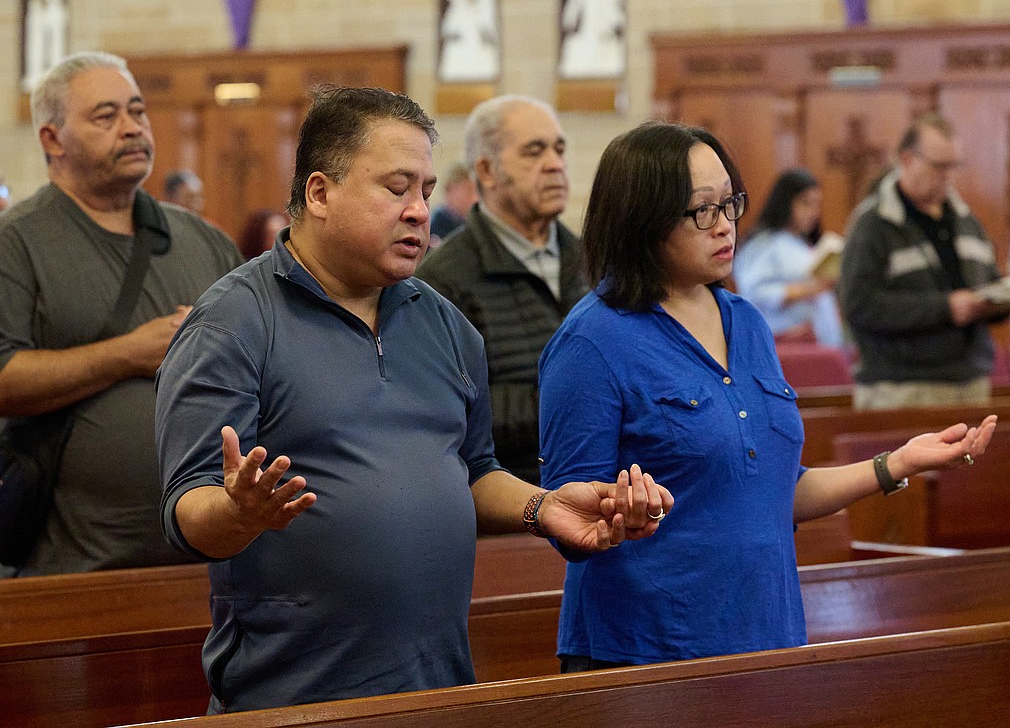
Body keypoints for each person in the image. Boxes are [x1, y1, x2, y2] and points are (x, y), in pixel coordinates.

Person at [155, 85, 672, 713]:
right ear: (319, 192)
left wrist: (544, 507)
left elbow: (474, 471)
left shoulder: (447, 327)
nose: (420, 211)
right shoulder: (234, 322)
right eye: (396, 188)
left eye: (426, 191)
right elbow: (188, 509)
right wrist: (240, 511)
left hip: (438, 689)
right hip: (293, 698)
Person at [537, 120, 998, 671]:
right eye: (701, 210)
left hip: (765, 636)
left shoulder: (747, 323)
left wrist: (896, 463)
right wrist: (620, 514)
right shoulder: (592, 341)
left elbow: (776, 491)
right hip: (646, 651)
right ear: (642, 219)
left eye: (730, 202)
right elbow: (568, 519)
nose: (725, 225)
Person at [0, 51, 242, 576]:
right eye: (106, 117)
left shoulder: (205, 241)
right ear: (51, 139)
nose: (132, 128)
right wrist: (129, 354)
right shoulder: (17, 241)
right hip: (73, 566)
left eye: (137, 111)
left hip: (207, 564)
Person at [416, 95, 586, 484]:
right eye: (534, 151)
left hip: (605, 491)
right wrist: (581, 401)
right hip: (513, 500)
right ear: (487, 171)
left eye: (559, 149)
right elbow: (450, 416)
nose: (555, 164)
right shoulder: (443, 282)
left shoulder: (594, 263)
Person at [838, 113, 1010, 409]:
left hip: (970, 381)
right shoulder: (873, 223)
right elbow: (859, 306)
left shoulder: (966, 220)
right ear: (907, 159)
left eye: (955, 166)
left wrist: (1001, 299)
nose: (949, 176)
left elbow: (987, 281)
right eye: (940, 166)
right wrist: (946, 308)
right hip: (902, 388)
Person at [733, 168, 845, 348]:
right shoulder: (763, 245)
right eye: (805, 203)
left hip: (818, 341)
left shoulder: (802, 245)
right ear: (785, 202)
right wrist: (809, 289)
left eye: (817, 204)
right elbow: (754, 292)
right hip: (785, 343)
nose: (813, 212)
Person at [429, 162, 477, 245]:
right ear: (449, 189)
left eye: (477, 192)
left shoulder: (473, 227)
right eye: (468, 191)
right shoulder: (433, 232)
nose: (475, 198)